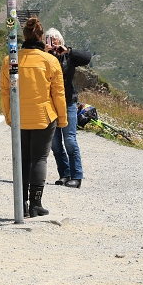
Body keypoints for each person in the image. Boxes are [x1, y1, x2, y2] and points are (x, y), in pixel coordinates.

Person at [0, 16, 67, 217]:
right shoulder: (50, 61)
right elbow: (58, 93)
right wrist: (62, 119)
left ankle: (21, 203)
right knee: (39, 159)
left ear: (24, 36)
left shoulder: (9, 60)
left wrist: (9, 116)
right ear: (41, 37)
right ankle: (35, 204)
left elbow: (5, 91)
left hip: (19, 117)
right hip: (44, 117)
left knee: (22, 159)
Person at [44, 28, 91, 188]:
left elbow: (87, 57)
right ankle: (64, 174)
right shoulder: (44, 56)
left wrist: (67, 51)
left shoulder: (68, 56)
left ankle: (76, 176)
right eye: (49, 39)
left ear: (60, 41)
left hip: (68, 102)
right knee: (55, 143)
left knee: (69, 139)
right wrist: (44, 52)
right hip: (50, 103)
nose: (52, 42)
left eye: (54, 40)